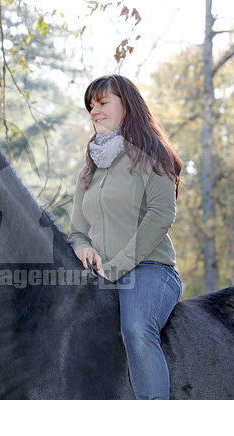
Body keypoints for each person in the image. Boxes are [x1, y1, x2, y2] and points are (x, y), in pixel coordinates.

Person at [68, 74, 183, 400]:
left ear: (126, 105)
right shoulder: (89, 168)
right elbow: (77, 230)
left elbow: (161, 216)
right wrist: (83, 247)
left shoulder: (153, 155)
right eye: (91, 106)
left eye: (103, 103)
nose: (94, 111)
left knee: (135, 330)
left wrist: (116, 267)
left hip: (149, 270)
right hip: (101, 276)